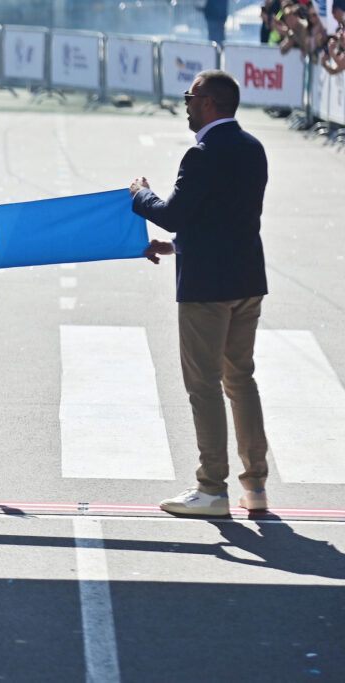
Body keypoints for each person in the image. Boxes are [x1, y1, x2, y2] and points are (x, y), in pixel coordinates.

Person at [130, 70, 270, 516]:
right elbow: (226, 217)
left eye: (189, 97)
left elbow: (172, 213)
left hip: (206, 289)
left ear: (208, 102)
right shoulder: (253, 148)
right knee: (240, 380)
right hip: (246, 281)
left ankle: (211, 488)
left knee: (203, 386)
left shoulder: (201, 154)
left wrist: (141, 196)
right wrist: (177, 246)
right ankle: (256, 486)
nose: (185, 104)